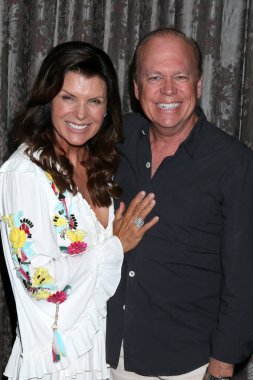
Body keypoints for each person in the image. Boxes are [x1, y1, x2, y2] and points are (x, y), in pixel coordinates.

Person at [0, 41, 159, 380]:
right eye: (68, 97)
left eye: (94, 101)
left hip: (96, 351)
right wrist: (116, 245)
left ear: (107, 109)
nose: (81, 114)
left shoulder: (97, 162)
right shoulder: (25, 173)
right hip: (55, 358)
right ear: (49, 101)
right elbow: (38, 279)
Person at [106, 27, 253, 380]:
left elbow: (244, 276)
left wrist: (223, 364)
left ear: (199, 85)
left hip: (188, 363)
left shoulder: (234, 163)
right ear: (136, 88)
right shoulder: (114, 140)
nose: (168, 90)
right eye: (155, 77)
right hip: (107, 352)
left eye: (180, 76)